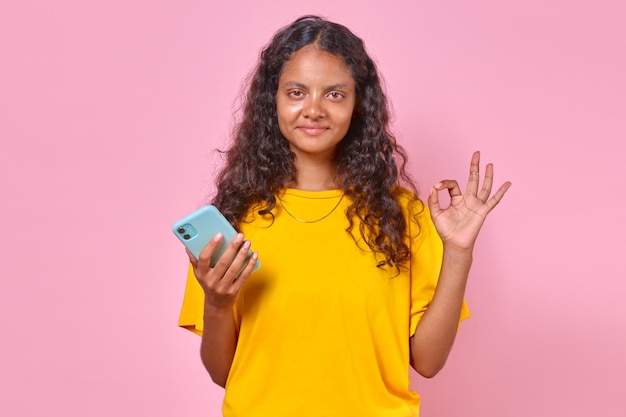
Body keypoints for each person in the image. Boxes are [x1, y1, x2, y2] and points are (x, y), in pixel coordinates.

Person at [178, 15, 510, 417]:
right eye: (296, 92)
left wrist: (458, 253)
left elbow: (428, 361)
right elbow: (221, 373)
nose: (313, 109)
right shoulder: (235, 219)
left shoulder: (403, 215)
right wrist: (216, 303)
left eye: (334, 94)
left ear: (357, 106)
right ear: (274, 101)